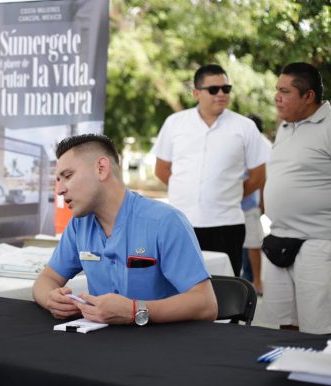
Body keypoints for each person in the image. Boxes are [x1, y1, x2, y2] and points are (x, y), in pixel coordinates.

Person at [32, 134, 218, 325]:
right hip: (102, 345)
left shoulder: (165, 221)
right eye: (58, 180)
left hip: (162, 346)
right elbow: (46, 279)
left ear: (101, 169)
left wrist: (135, 311)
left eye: (68, 176)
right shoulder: (79, 225)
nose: (60, 190)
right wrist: (51, 299)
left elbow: (205, 304)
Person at [152, 64, 269, 277]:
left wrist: (228, 194)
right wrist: (189, 190)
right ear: (196, 93)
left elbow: (259, 175)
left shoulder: (244, 127)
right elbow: (161, 169)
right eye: (214, 89)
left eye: (226, 88)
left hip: (227, 224)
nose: (221, 94)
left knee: (224, 290)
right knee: (179, 286)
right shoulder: (175, 123)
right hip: (181, 223)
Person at [262, 62, 331, 335]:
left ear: (308, 96)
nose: (277, 97)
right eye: (277, 90)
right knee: (282, 327)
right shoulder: (286, 126)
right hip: (279, 239)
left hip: (318, 242)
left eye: (285, 91)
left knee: (317, 330)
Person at [240, 115, 271, 296]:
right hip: (233, 205)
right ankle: (246, 278)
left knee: (253, 243)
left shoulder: (261, 145)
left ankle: (257, 281)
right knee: (243, 244)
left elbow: (262, 177)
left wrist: (262, 202)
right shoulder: (241, 143)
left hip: (249, 203)